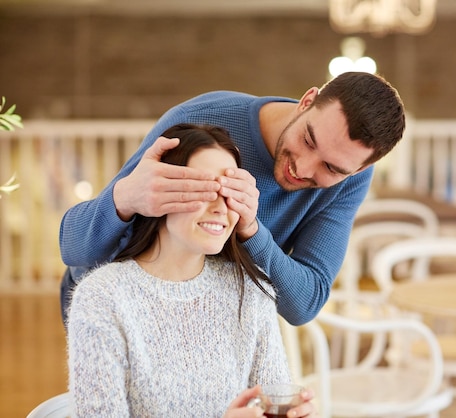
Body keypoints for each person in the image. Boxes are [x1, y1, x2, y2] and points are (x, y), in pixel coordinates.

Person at [59, 71, 406, 326]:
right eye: (309, 140)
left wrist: (252, 232)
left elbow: (305, 303)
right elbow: (74, 250)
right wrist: (125, 198)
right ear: (306, 102)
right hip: (114, 312)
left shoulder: (349, 180)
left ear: (359, 170)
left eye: (331, 167)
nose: (302, 167)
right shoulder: (200, 122)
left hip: (210, 323)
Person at [67, 123, 317, 417]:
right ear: (157, 192)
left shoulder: (251, 293)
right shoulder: (102, 299)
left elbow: (271, 402)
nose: (221, 207)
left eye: (231, 192)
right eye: (205, 189)